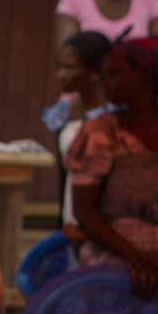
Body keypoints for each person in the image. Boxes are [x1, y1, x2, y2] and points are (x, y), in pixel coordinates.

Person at [68, 36, 158, 297]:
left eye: (113, 74)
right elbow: (85, 211)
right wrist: (136, 259)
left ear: (143, 75)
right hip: (107, 262)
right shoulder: (99, 134)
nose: (103, 82)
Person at [41, 30, 113, 228]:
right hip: (71, 218)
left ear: (94, 72)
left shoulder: (115, 116)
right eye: (60, 67)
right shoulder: (65, 112)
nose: (60, 74)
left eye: (69, 68)